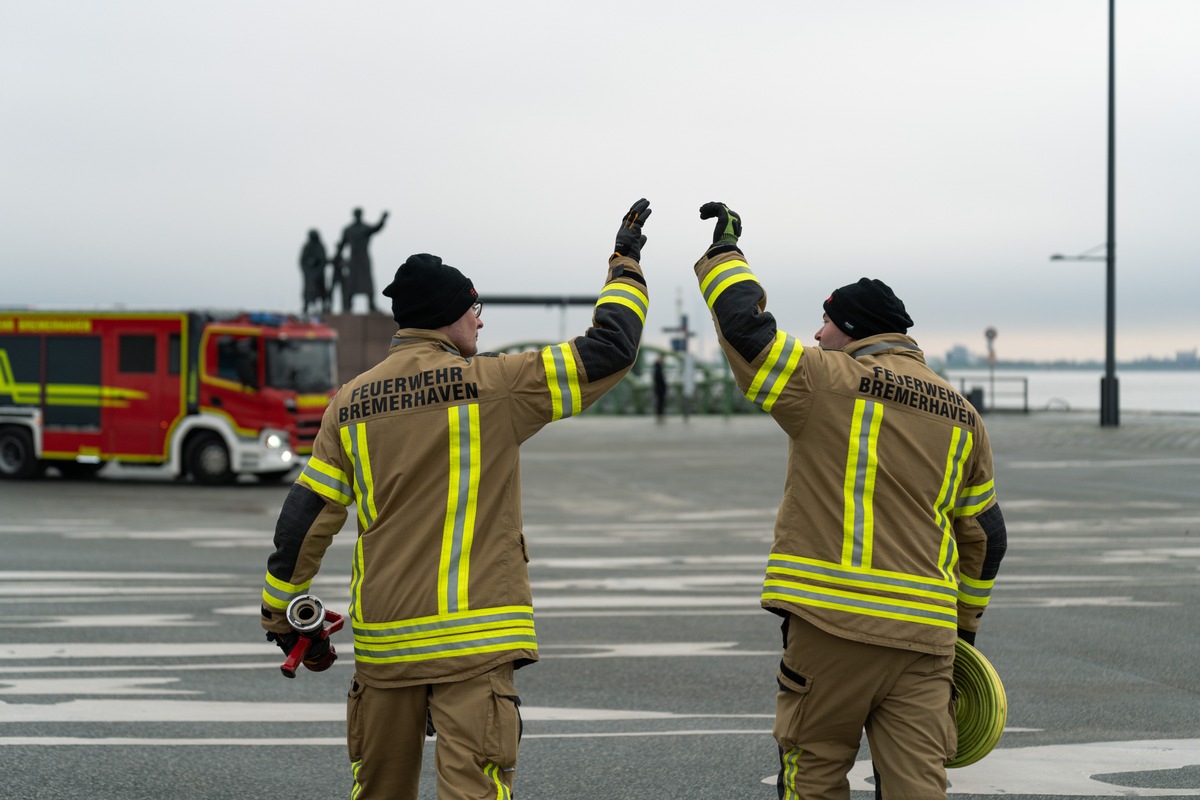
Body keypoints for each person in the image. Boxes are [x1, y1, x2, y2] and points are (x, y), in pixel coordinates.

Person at [260, 199, 652, 799]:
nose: (482, 325)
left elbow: (305, 519)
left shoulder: (350, 404)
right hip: (474, 644)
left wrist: (281, 615)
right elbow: (611, 348)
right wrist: (625, 264)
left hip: (386, 647)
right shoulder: (495, 385)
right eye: (476, 310)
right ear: (452, 316)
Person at [691, 202, 1007, 800]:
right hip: (927, 639)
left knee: (812, 773)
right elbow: (987, 537)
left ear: (854, 330)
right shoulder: (964, 414)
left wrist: (725, 256)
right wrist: (963, 630)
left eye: (826, 322)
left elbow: (746, 332)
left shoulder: (827, 383)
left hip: (832, 628)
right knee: (919, 786)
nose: (817, 334)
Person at [336, 207, 390, 312]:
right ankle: (348, 305)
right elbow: (342, 245)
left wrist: (383, 219)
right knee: (351, 283)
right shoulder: (348, 229)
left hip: (364, 259)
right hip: (353, 260)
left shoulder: (365, 228)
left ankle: (371, 304)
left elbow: (376, 228)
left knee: (367, 283)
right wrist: (337, 258)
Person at [299, 229, 330, 314]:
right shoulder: (307, 247)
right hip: (309, 274)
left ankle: (324, 306)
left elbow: (323, 260)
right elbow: (302, 261)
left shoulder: (320, 247)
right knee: (308, 291)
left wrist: (318, 270)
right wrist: (308, 270)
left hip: (319, 274)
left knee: (322, 291)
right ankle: (306, 305)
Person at [652, 353, 668, 421]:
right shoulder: (658, 368)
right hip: (660, 388)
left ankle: (660, 414)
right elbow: (659, 379)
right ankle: (660, 414)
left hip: (658, 388)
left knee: (660, 401)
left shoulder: (656, 367)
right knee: (660, 401)